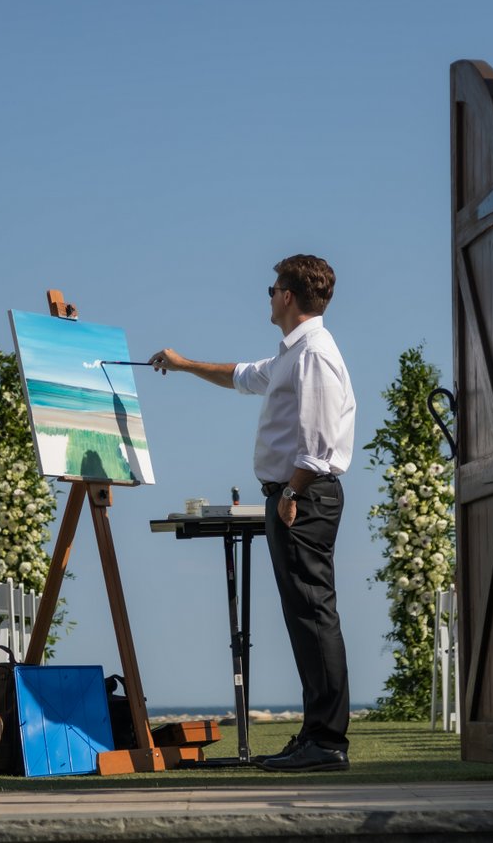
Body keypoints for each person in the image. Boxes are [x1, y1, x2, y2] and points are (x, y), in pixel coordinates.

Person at [149, 254, 357, 772]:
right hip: (291, 494)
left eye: (272, 288)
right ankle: (315, 733)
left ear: (287, 296)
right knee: (303, 616)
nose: (267, 296)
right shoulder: (292, 353)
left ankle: (328, 742)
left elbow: (320, 440)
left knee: (313, 614)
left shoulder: (314, 354)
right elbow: (243, 376)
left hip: (302, 496)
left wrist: (291, 492)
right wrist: (184, 363)